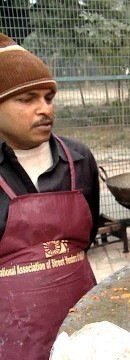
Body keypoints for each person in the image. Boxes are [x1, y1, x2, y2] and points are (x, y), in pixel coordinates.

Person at [0, 33, 100, 359]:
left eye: (48, 97)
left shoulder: (79, 160)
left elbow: (89, 236)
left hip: (86, 323)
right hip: (14, 339)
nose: (44, 109)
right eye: (27, 99)